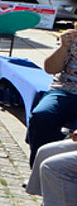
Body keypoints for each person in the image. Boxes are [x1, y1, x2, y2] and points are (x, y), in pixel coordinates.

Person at [25, 28, 77, 165]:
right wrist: (64, 46)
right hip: (65, 89)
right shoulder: (72, 37)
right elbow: (50, 69)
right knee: (42, 116)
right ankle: (37, 169)